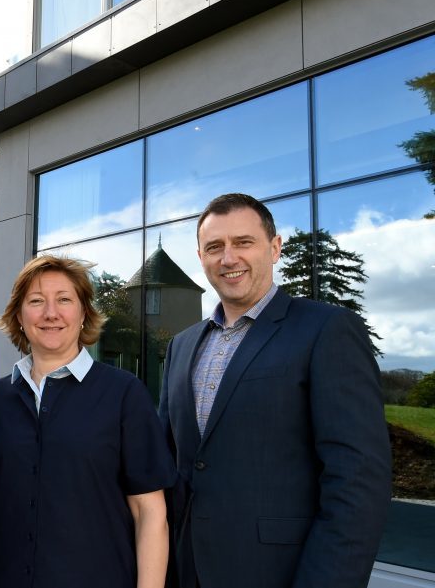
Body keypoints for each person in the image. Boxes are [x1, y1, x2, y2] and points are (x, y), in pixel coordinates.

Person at [159, 193, 392, 588]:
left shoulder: (327, 330)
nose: (228, 258)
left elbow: (358, 483)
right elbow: (166, 460)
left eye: (243, 242)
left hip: (279, 574)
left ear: (275, 247)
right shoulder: (181, 345)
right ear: (201, 257)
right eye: (215, 247)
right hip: (186, 570)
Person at [0, 254, 174, 588]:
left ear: (83, 314)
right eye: (36, 301)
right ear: (19, 316)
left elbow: (150, 514)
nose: (51, 313)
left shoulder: (124, 394)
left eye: (64, 299)